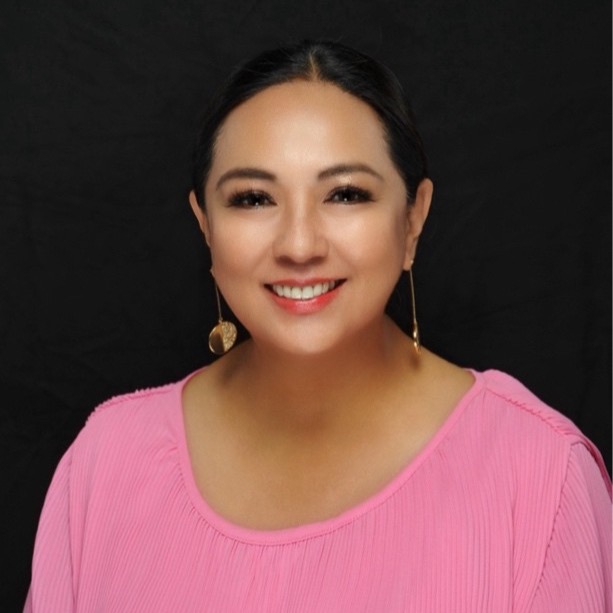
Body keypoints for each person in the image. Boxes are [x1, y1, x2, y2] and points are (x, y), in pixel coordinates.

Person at [25, 40, 611, 612]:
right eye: (253, 199)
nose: (300, 245)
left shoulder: (539, 476)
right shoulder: (108, 461)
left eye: (346, 194)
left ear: (413, 218)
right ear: (205, 224)